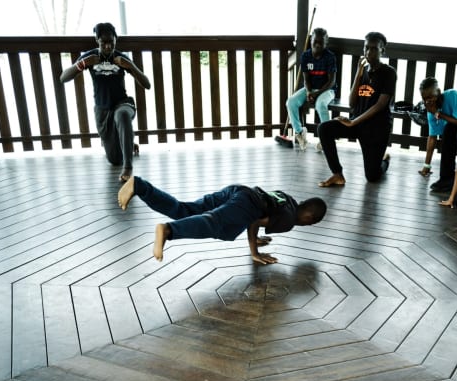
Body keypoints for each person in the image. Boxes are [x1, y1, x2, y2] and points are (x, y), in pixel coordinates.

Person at [117, 176, 327, 265]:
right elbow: (254, 221)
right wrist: (254, 252)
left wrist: (258, 238)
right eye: (311, 223)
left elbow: (262, 213)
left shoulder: (288, 199)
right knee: (215, 224)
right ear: (309, 218)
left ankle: (140, 186)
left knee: (185, 210)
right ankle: (168, 231)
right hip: (246, 205)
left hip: (239, 191)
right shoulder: (289, 221)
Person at [60, 22, 151, 182]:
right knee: (115, 159)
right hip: (103, 110)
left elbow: (147, 84)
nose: (108, 47)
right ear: (97, 41)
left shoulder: (121, 58)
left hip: (123, 103)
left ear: (116, 40)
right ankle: (127, 142)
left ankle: (128, 167)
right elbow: (63, 78)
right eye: (104, 43)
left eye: (111, 42)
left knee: (122, 115)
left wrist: (131, 67)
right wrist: (82, 65)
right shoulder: (90, 57)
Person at [317, 32, 397, 187]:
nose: (368, 52)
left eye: (374, 49)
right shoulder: (363, 71)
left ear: (383, 51)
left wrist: (353, 122)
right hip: (358, 123)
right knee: (324, 129)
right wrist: (358, 76)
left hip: (377, 130)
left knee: (372, 176)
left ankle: (385, 160)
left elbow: (380, 105)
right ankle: (337, 174)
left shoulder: (389, 73)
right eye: (366, 48)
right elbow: (352, 103)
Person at [286, 27, 338, 152]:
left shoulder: (330, 57)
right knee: (291, 102)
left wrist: (316, 93)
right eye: (316, 41)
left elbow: (331, 82)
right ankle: (299, 132)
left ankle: (326, 138)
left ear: (326, 43)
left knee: (320, 105)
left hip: (327, 90)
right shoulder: (306, 56)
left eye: (321, 42)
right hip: (310, 89)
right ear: (311, 40)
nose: (318, 44)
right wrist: (309, 92)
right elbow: (306, 79)